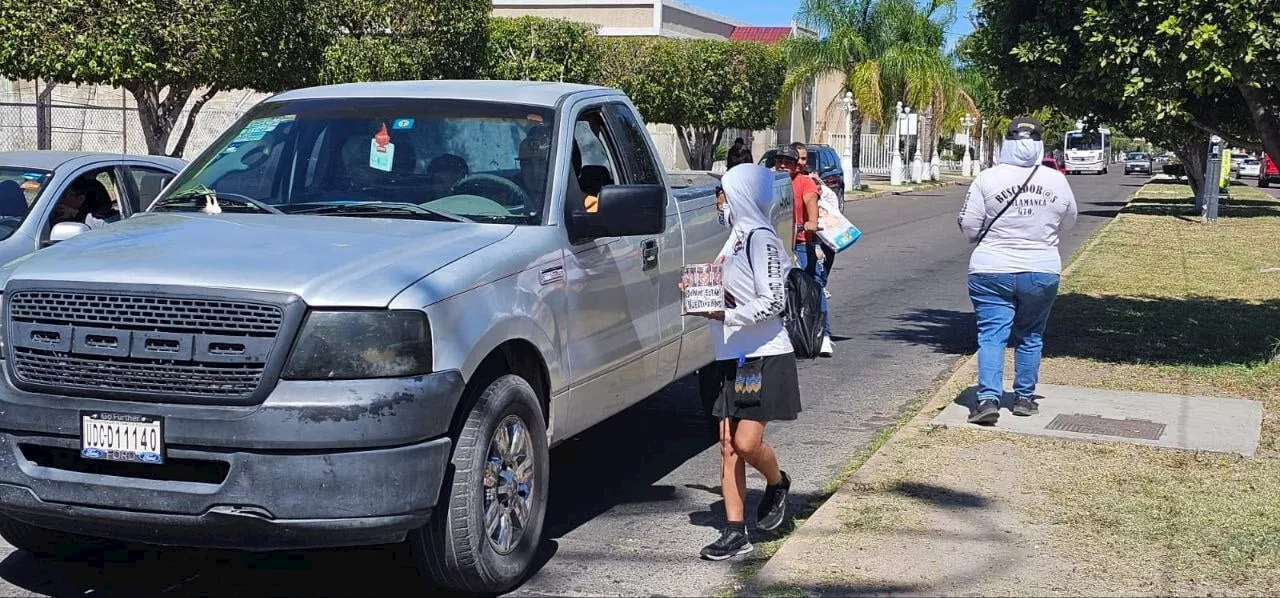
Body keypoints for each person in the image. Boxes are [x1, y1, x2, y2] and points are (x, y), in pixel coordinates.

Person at [688, 163, 800, 561]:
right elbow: (730, 290)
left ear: (742, 195)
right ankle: (736, 532)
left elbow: (774, 302)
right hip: (731, 355)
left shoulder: (761, 238)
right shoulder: (734, 239)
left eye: (723, 192)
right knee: (726, 446)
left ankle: (777, 481)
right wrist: (699, 292)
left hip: (763, 354)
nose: (718, 200)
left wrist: (726, 315)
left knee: (746, 442)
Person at [958, 117, 1078, 424]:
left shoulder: (987, 178)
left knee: (991, 335)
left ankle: (987, 399)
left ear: (1006, 143)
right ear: (1039, 144)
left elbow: (970, 227)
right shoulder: (1057, 180)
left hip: (990, 269)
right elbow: (1070, 221)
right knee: (1031, 335)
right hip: (1041, 269)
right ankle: (1024, 397)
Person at [775, 145, 833, 357]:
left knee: (814, 286)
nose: (782, 165)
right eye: (779, 161)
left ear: (795, 165)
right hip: (775, 244)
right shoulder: (770, 182)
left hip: (800, 243)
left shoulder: (804, 182)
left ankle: (823, 334)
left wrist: (812, 221)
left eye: (787, 162)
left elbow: (811, 201)